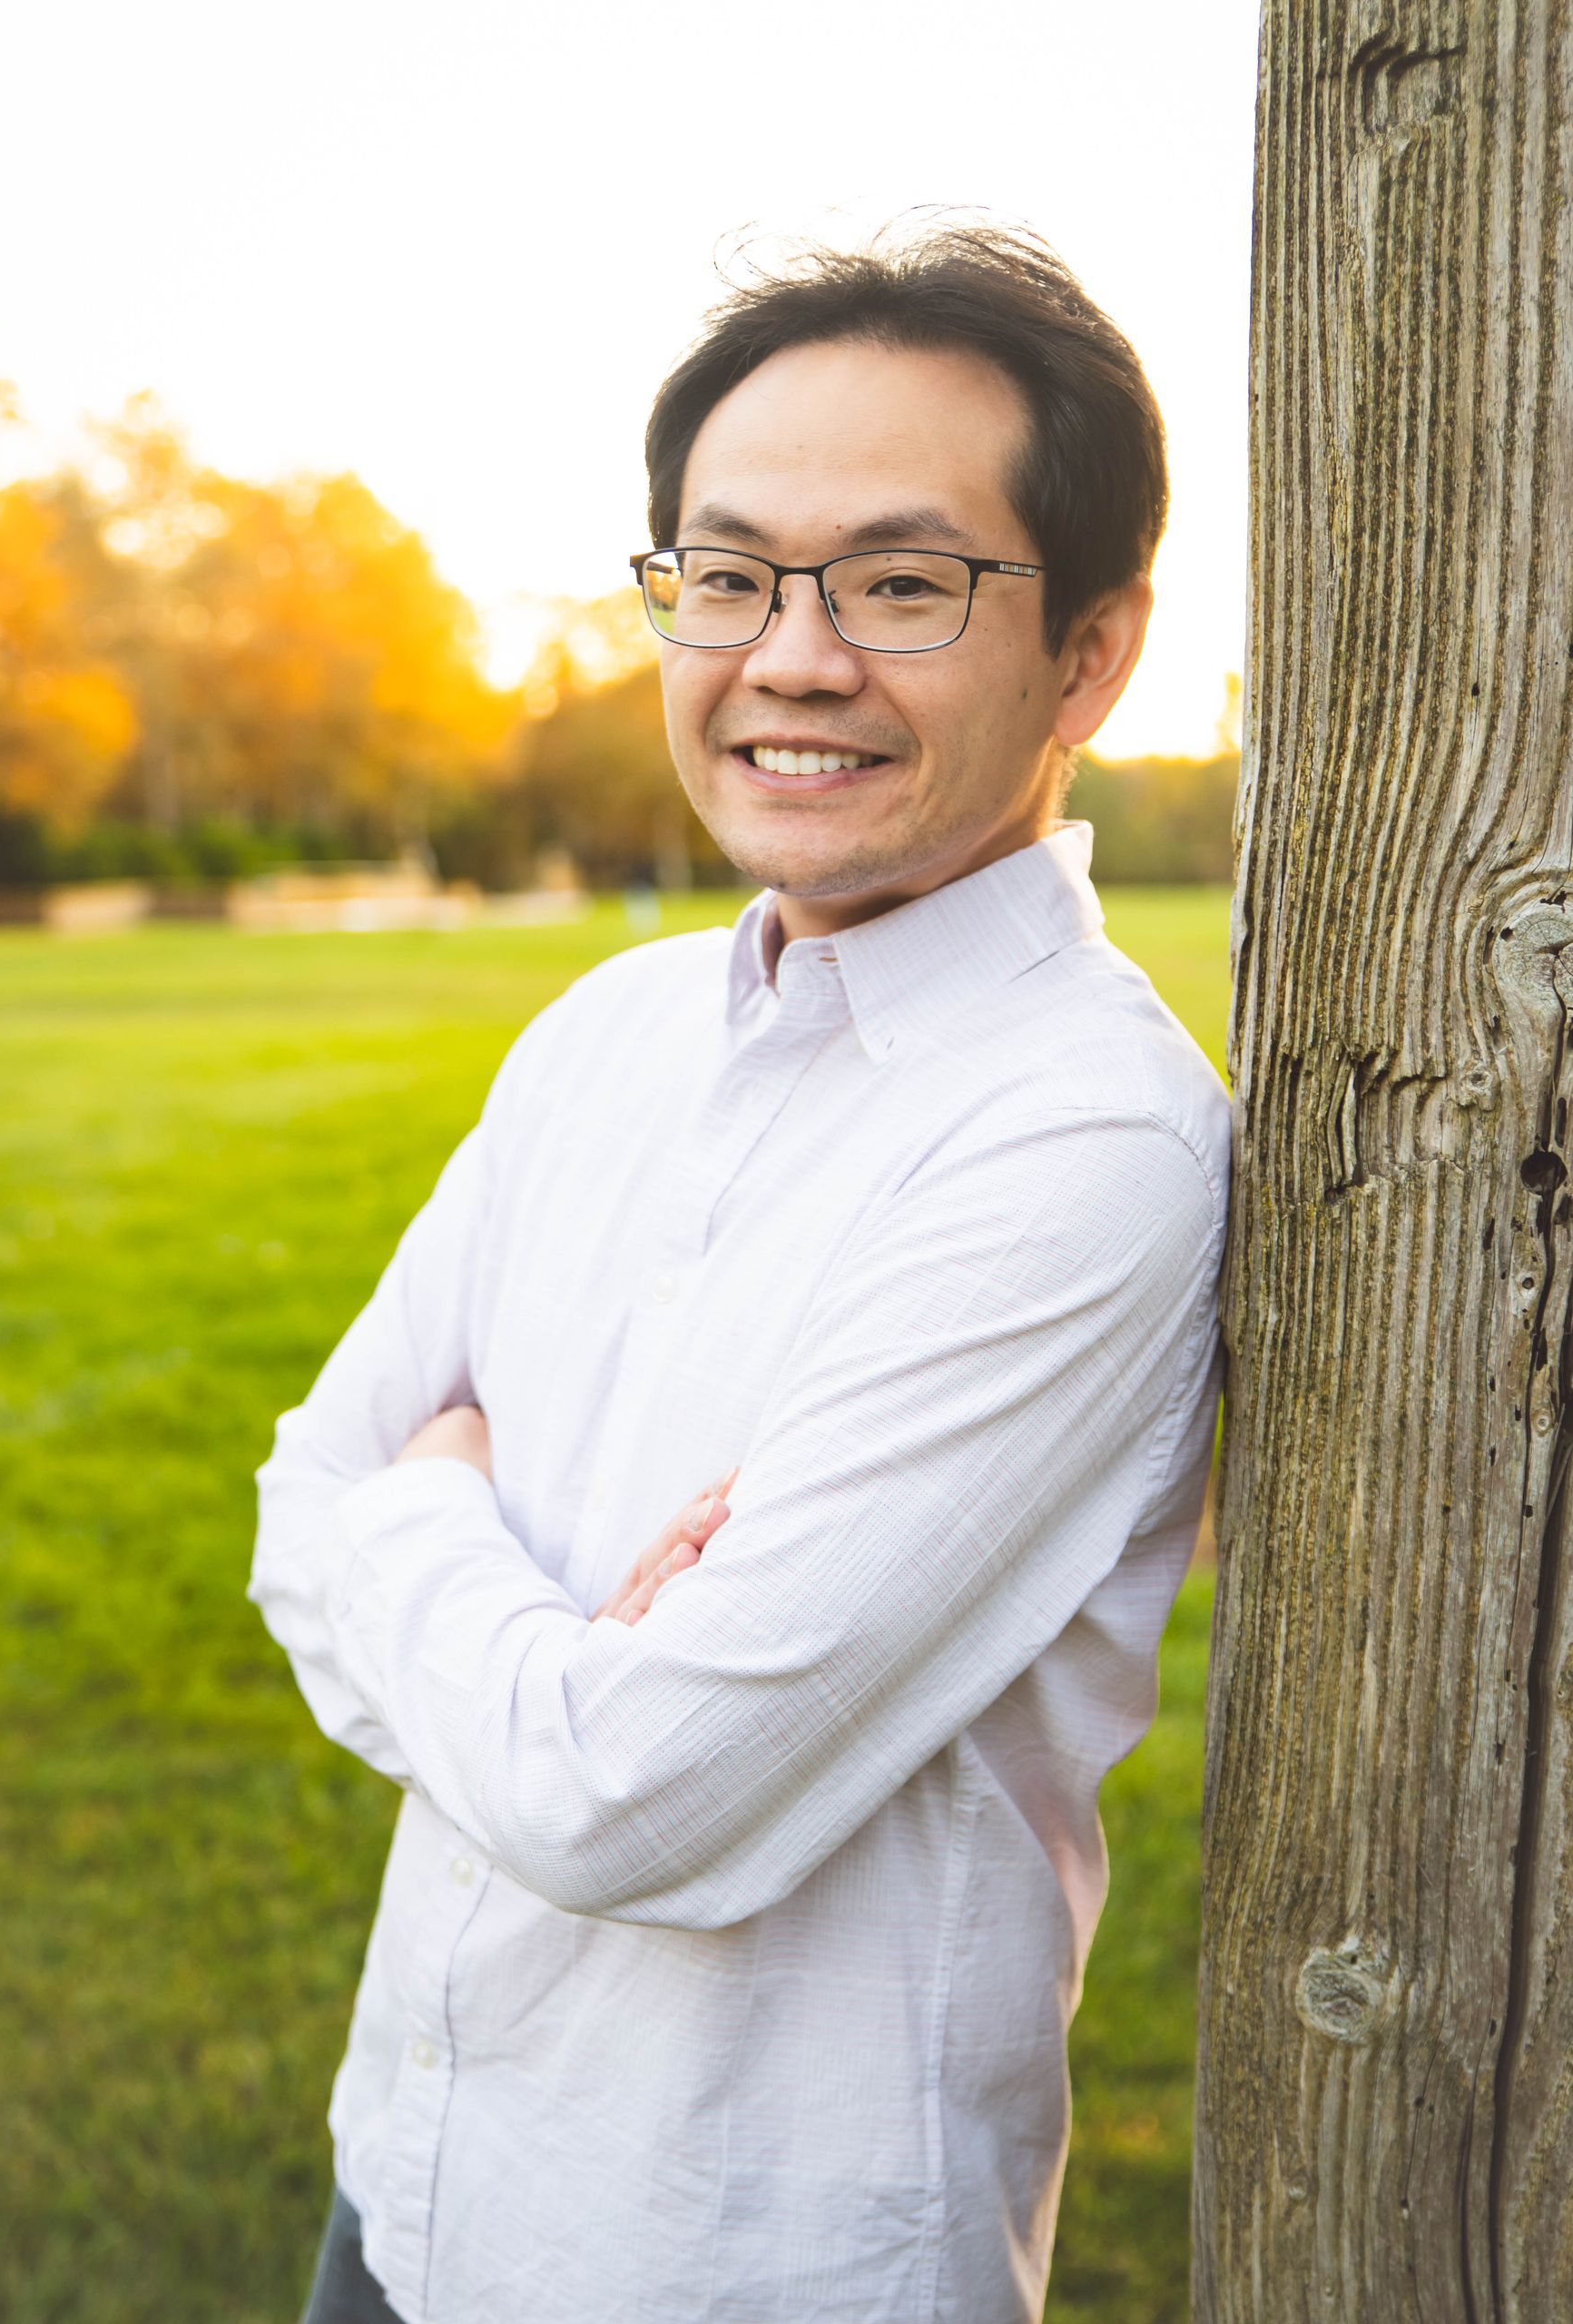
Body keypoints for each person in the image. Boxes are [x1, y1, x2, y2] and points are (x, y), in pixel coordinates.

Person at [250, 221, 1230, 2324]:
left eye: (901, 580)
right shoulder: (602, 1034)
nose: (789, 657)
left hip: (737, 2259)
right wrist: (539, 1641)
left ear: (1092, 651)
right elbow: (282, 1518)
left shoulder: (1090, 1142)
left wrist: (426, 1510)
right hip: (405, 2192)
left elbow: (633, 1793)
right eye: (728, 571)